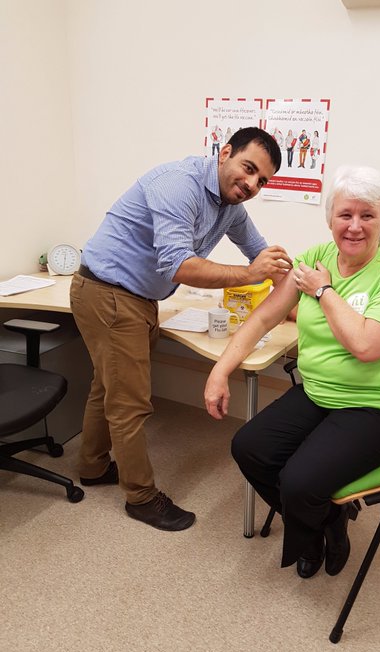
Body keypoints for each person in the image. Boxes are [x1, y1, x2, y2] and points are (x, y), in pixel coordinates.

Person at [204, 166, 380, 579]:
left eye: (367, 215)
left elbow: (366, 346)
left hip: (377, 407)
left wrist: (324, 291)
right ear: (330, 219)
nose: (355, 226)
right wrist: (220, 371)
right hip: (317, 392)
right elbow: (264, 317)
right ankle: (328, 519)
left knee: (299, 482)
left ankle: (317, 530)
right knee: (249, 447)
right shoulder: (312, 259)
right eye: (345, 214)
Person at [70, 127, 293, 532]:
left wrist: (295, 297)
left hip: (137, 297)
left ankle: (92, 466)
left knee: (108, 387)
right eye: (248, 168)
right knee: (130, 402)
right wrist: (250, 274)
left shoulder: (230, 204)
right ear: (225, 152)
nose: (252, 184)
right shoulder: (179, 184)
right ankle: (141, 498)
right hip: (108, 293)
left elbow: (260, 253)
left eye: (262, 180)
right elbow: (178, 265)